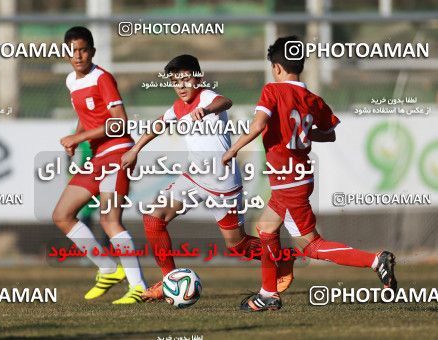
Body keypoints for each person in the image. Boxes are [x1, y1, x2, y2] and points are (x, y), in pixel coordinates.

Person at [222, 36, 397, 311]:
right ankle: (268, 293)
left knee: (311, 246)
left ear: (276, 68)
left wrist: (231, 151)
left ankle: (375, 260)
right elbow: (330, 135)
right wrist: (302, 134)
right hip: (297, 177)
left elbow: (257, 126)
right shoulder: (313, 99)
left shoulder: (273, 91)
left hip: (288, 181)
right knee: (266, 228)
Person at [120, 54, 294, 301]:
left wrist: (207, 109)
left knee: (237, 245)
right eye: (175, 82)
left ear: (197, 78)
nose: (180, 86)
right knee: (153, 218)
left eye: (185, 79)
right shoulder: (178, 107)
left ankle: (283, 258)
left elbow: (226, 101)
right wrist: (135, 149)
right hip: (193, 177)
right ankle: (169, 281)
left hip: (222, 183)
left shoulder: (207, 97)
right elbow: (160, 124)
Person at [52, 26, 146, 304]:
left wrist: (78, 136)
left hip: (117, 152)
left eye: (83, 50)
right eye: (73, 51)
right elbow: (87, 116)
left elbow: (119, 122)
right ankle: (107, 268)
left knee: (109, 220)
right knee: (62, 215)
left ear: (92, 51)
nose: (78, 55)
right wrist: (76, 139)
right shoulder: (71, 80)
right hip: (97, 156)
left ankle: (138, 287)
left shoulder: (102, 78)